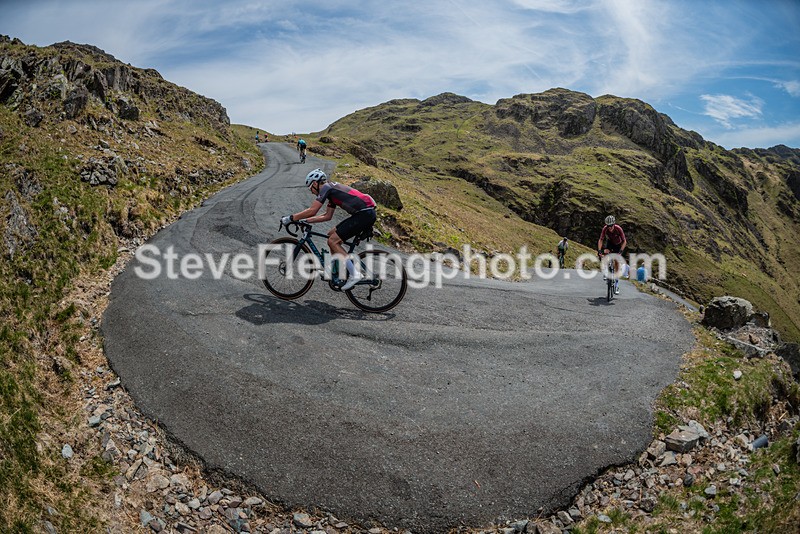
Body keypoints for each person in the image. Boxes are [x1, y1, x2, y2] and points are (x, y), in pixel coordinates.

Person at [281, 169, 376, 291]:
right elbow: (327, 216)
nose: (311, 191)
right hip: (364, 213)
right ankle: (336, 270)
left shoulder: (326, 188)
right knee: (331, 235)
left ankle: (355, 273)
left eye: (310, 187)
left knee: (333, 241)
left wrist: (290, 218)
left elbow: (312, 210)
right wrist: (306, 221)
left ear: (315, 183)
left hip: (364, 213)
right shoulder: (332, 192)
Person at [597, 215, 627, 294]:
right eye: (608, 226)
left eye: (611, 226)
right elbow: (601, 239)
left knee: (616, 262)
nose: (609, 227)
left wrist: (620, 251)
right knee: (605, 253)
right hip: (610, 243)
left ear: (614, 224)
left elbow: (624, 242)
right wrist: (600, 251)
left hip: (618, 244)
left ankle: (616, 285)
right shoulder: (605, 229)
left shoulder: (618, 229)